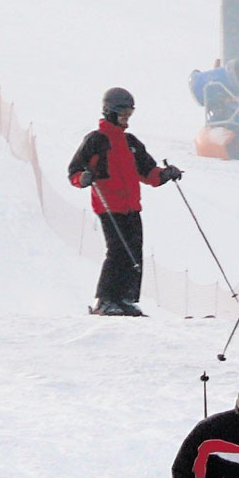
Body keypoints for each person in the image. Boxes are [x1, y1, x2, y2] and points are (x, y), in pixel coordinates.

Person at [68, 87, 182, 316]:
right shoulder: (96, 140)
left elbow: (148, 172)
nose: (126, 119)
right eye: (122, 114)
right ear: (109, 111)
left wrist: (165, 174)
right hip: (109, 205)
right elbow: (74, 171)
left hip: (131, 205)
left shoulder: (130, 142)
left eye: (129, 114)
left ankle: (126, 299)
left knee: (134, 248)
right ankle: (105, 299)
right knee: (117, 250)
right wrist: (83, 178)